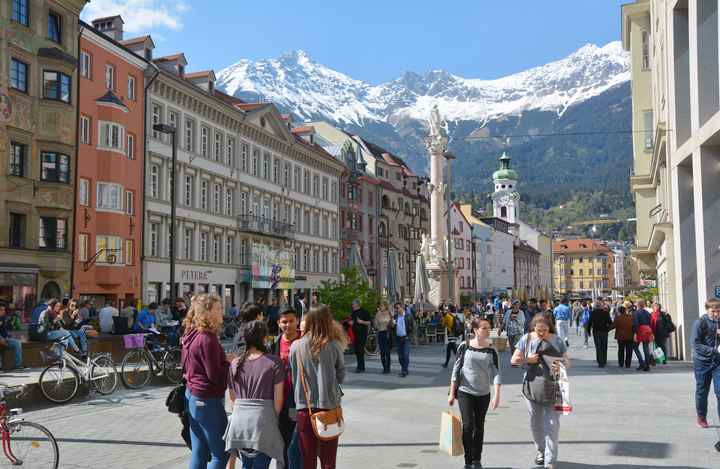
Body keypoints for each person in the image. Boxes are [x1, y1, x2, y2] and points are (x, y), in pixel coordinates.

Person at [289, 304, 346, 469]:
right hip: (329, 408)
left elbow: (294, 377)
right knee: (328, 460)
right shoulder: (334, 345)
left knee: (308, 459)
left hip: (304, 408)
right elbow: (341, 375)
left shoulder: (296, 346)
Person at [511, 314, 570, 469]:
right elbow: (513, 360)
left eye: (544, 330)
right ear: (533, 328)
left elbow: (567, 361)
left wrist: (561, 365)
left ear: (549, 327)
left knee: (552, 424)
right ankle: (541, 450)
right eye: (539, 330)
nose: (542, 333)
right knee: (536, 423)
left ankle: (550, 460)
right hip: (532, 387)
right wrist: (527, 359)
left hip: (554, 386)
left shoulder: (557, 340)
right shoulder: (527, 339)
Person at [225, 320, 285, 469]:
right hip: (262, 422)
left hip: (240, 423)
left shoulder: (235, 363)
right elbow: (278, 400)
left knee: (246, 464)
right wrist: (275, 421)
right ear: (264, 338)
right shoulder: (274, 363)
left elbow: (232, 398)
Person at [182, 293, 231, 469]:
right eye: (218, 309)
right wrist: (229, 363)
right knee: (221, 453)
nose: (221, 312)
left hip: (193, 396)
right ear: (207, 313)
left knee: (200, 451)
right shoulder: (207, 338)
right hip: (207, 400)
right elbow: (215, 375)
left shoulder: (191, 333)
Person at [448, 317, 502, 469]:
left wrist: (497, 394)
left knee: (479, 427)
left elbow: (497, 373)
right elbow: (456, 370)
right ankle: (468, 460)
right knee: (467, 426)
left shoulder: (492, 349)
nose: (487, 330)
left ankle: (477, 458)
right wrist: (452, 393)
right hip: (465, 391)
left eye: (488, 328)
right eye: (484, 328)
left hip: (484, 393)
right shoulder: (464, 347)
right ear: (475, 330)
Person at [271, 308, 302, 469]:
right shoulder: (275, 344)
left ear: (297, 320)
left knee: (297, 445)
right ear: (278, 323)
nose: (288, 325)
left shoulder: (305, 341)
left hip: (299, 401)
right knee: (282, 442)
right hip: (280, 401)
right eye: (284, 322)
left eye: (291, 321)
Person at [691, 298, 720, 428]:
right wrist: (713, 350)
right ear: (707, 310)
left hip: (717, 362)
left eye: (718, 311)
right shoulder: (700, 323)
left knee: (719, 391)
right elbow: (695, 344)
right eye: (713, 311)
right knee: (702, 390)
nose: (716, 314)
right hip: (702, 362)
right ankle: (701, 416)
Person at [588, 299, 612, 368]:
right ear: (601, 306)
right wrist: (608, 329)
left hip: (596, 331)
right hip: (604, 331)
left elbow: (590, 322)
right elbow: (610, 322)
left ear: (595, 306)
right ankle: (604, 360)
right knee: (604, 346)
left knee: (598, 346)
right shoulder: (605, 313)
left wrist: (589, 331)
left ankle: (600, 361)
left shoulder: (593, 313)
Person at [350, 299, 371, 373]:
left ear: (357, 304)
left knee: (360, 350)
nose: (352, 305)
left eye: (353, 304)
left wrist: (361, 322)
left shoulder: (364, 312)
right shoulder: (353, 312)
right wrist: (351, 323)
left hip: (362, 333)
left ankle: (361, 367)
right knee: (357, 350)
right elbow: (352, 321)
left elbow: (369, 322)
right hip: (354, 334)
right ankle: (359, 366)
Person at [0, 304, 23, 369]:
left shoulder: (3, 318)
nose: (3, 311)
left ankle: (18, 365)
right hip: (1, 339)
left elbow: (4, 331)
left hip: (5, 339)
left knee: (17, 343)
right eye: (1, 310)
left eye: (4, 310)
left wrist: (10, 336)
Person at [394, 302, 414, 377]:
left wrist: (409, 336)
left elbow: (412, 327)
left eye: (398, 308)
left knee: (405, 355)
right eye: (395, 308)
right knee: (400, 356)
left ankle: (404, 370)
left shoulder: (408, 316)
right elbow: (392, 327)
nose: (396, 309)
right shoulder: (395, 317)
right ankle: (404, 368)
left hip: (406, 338)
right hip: (398, 338)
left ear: (402, 307)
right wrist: (392, 324)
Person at [633, 299, 653, 372]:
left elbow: (635, 323)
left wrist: (635, 333)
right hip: (648, 329)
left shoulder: (636, 313)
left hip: (640, 330)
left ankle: (641, 363)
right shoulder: (647, 312)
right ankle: (647, 365)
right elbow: (651, 322)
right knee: (646, 347)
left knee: (635, 347)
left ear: (638, 305)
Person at [374, 301, 393, 374]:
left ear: (385, 306)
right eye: (380, 305)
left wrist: (390, 323)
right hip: (380, 333)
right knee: (382, 352)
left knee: (387, 351)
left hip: (387, 333)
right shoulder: (378, 314)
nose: (380, 307)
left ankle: (388, 368)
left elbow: (392, 324)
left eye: (382, 305)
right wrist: (376, 323)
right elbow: (375, 325)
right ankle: (384, 367)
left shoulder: (389, 313)